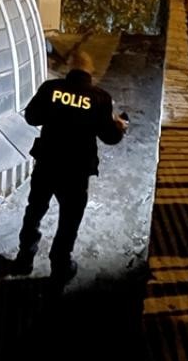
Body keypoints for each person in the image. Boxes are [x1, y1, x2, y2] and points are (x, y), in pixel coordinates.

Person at [12, 49, 127, 283]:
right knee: (69, 219)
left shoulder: (50, 89)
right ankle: (60, 264)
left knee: (35, 210)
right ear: (90, 71)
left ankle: (25, 258)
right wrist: (120, 126)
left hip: (47, 163)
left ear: (69, 68)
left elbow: (32, 117)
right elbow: (110, 138)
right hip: (76, 170)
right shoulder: (100, 99)